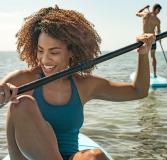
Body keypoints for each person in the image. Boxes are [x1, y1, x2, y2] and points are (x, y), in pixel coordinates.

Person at [0, 5, 155, 160]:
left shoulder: (83, 85)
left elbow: (138, 91)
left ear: (72, 51)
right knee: (23, 103)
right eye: (40, 50)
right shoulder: (21, 79)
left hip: (69, 156)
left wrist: (143, 54)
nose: (45, 59)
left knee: (96, 156)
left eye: (54, 52)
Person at [136, 3, 162, 78]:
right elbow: (159, 31)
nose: (159, 11)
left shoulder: (146, 14)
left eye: (160, 10)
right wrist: (159, 38)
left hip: (146, 38)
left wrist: (144, 7)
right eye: (159, 10)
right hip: (149, 38)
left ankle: (154, 74)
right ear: (155, 9)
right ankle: (148, 73)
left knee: (151, 56)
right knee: (148, 56)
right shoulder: (155, 19)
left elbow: (137, 13)